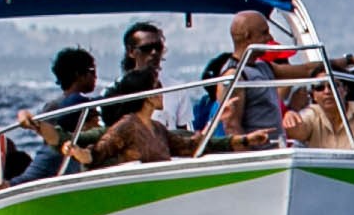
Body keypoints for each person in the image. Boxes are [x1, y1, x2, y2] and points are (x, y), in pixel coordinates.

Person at [20, 68, 269, 168]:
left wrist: (246, 141)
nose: (163, 92)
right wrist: (37, 126)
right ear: (149, 96)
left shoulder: (158, 129)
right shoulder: (127, 126)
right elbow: (95, 153)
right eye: (157, 87)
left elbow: (193, 145)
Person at [219, 10, 354, 138]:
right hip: (258, 156)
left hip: (275, 149)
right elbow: (232, 125)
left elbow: (307, 70)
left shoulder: (263, 67)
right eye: (264, 33)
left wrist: (350, 60)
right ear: (248, 36)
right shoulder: (235, 76)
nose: (270, 37)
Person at [12, 47, 98, 184]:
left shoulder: (80, 104)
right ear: (78, 74)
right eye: (92, 71)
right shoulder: (56, 106)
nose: (96, 77)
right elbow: (50, 140)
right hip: (61, 161)